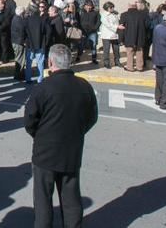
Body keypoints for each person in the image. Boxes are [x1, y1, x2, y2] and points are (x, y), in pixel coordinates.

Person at [24, 44, 98, 228]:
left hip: (45, 152)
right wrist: (77, 132)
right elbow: (92, 117)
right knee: (71, 197)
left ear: (50, 62)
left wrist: (40, 135)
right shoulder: (84, 87)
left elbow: (30, 120)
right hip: (71, 150)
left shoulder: (43, 88)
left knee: (43, 200)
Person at [23, 3, 51, 83]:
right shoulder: (43, 19)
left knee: (29, 62)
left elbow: (23, 32)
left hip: (29, 44)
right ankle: (40, 79)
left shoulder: (26, 20)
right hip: (40, 43)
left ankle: (28, 79)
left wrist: (24, 41)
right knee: (40, 62)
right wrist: (46, 42)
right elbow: (49, 31)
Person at [121, 0, 148, 72]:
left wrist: (121, 39)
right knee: (140, 52)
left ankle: (130, 67)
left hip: (129, 37)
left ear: (129, 6)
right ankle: (140, 67)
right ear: (135, 6)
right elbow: (147, 25)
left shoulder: (124, 14)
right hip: (140, 37)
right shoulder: (143, 14)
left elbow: (121, 27)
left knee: (130, 53)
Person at [98, 2, 121, 68]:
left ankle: (117, 62)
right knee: (106, 49)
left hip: (114, 34)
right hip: (106, 35)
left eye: (113, 7)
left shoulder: (115, 13)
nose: (112, 8)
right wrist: (117, 27)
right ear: (107, 8)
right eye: (111, 7)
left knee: (116, 49)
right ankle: (106, 63)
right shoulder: (104, 15)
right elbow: (107, 24)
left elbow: (118, 20)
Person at [79, 0, 100, 64]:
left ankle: (94, 59)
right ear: (84, 6)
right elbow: (78, 21)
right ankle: (78, 56)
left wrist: (95, 28)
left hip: (92, 32)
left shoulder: (95, 12)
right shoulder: (80, 12)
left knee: (93, 45)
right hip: (83, 31)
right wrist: (80, 30)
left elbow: (99, 21)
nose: (89, 7)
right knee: (81, 45)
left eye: (90, 6)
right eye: (88, 6)